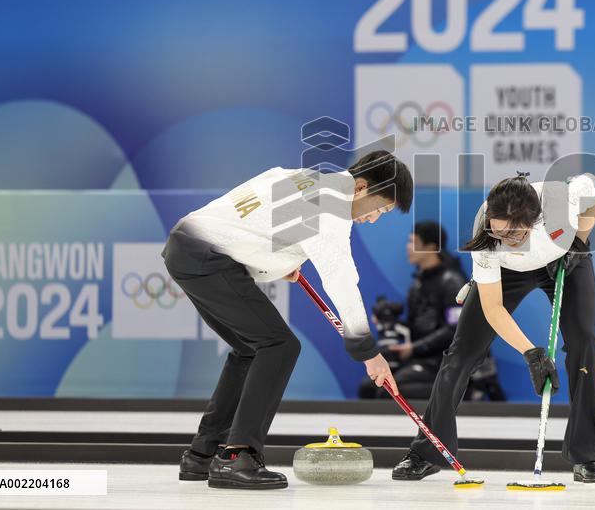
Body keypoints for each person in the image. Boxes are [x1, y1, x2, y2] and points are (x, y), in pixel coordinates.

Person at [162, 150, 412, 490]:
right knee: (278, 346)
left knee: (251, 350)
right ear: (362, 187)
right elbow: (340, 280)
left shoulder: (308, 179)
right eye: (380, 209)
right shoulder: (331, 206)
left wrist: (277, 261)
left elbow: (255, 214)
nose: (373, 219)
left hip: (188, 247)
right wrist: (369, 352)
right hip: (206, 257)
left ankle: (202, 455)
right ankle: (237, 456)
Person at [392, 171, 595, 484]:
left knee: (584, 344)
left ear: (536, 219)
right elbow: (494, 308)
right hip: (506, 273)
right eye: (499, 233)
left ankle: (586, 456)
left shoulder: (562, 199)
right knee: (460, 355)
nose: (505, 239)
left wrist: (579, 240)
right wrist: (531, 353)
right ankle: (426, 452)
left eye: (514, 235)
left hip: (564, 261)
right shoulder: (486, 233)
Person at [359, 221, 504, 400]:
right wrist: (389, 323)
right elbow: (417, 327)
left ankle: (467, 392)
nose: (408, 247)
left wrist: (413, 348)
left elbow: (456, 330)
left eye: (413, 242)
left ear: (431, 247)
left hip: (444, 362)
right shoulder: (417, 285)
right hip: (422, 359)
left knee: (387, 392)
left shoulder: (452, 282)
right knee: (368, 387)